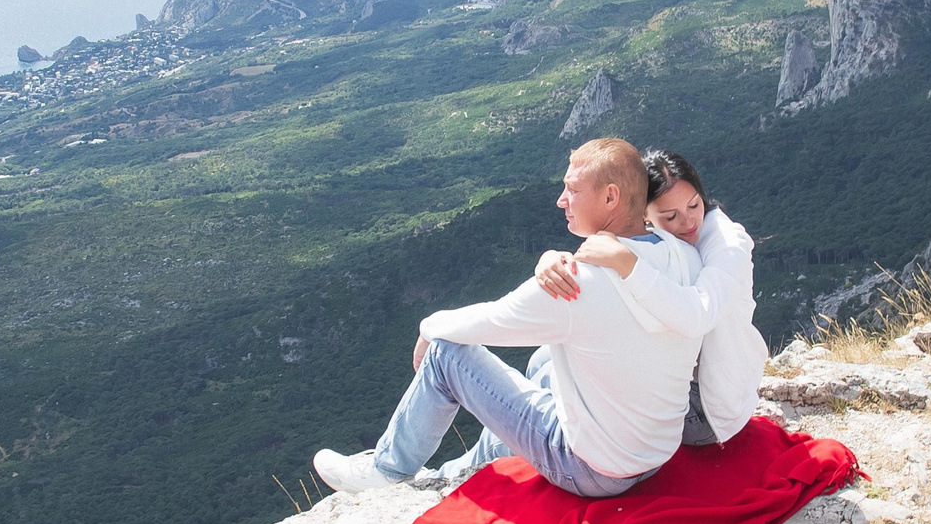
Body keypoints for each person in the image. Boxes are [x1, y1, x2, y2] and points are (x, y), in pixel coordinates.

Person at [311, 138, 709, 499]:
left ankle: (385, 471)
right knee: (543, 363)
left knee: (447, 353)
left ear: (610, 197)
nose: (560, 200)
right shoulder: (681, 254)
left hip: (594, 471)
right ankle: (462, 472)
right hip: (654, 454)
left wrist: (428, 327)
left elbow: (489, 321)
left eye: (572, 190)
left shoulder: (575, 286)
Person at [532, 147, 764, 447]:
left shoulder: (727, 245)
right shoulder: (661, 242)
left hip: (707, 410)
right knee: (545, 358)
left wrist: (629, 265)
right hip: (680, 379)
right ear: (643, 215)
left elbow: (698, 316)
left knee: (562, 376)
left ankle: (533, 453)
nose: (689, 222)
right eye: (670, 216)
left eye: (695, 205)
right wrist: (550, 259)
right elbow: (594, 249)